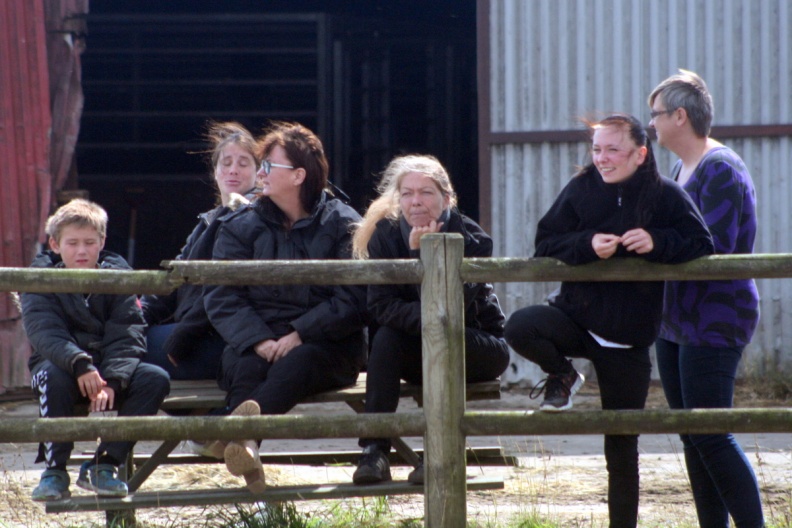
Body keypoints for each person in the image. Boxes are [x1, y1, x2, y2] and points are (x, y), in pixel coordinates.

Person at [503, 114, 714, 528]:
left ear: (640, 153)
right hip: (576, 319)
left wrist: (657, 242)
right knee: (520, 326)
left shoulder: (666, 194)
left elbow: (701, 243)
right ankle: (563, 375)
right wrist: (585, 244)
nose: (602, 158)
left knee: (621, 450)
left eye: (613, 150)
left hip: (628, 340)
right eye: (597, 149)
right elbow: (544, 243)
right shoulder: (581, 188)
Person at [203, 122, 367, 493]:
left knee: (299, 361)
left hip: (327, 344)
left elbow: (355, 297)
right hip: (256, 340)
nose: (258, 174)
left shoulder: (344, 223)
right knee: (247, 365)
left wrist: (300, 333)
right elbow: (221, 292)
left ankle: (234, 432)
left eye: (267, 166)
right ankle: (246, 448)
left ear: (298, 175)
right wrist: (259, 339)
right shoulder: (240, 223)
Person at [350, 154, 510, 486]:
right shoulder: (385, 235)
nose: (416, 201)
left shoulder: (473, 239)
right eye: (407, 193)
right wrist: (420, 322)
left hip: (476, 344)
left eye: (426, 192)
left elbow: (449, 311)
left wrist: (419, 255)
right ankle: (374, 452)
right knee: (386, 338)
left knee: (441, 337)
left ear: (447, 199)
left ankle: (437, 453)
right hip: (415, 343)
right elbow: (380, 306)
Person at [649, 70, 764, 528]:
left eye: (656, 114)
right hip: (675, 319)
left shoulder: (720, 168)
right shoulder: (682, 168)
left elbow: (712, 243)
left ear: (680, 116)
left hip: (715, 318)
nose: (651, 123)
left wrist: (653, 242)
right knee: (692, 435)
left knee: (711, 434)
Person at [21, 199, 170, 501]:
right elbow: (46, 332)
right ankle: (54, 471)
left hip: (106, 372)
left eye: (90, 242)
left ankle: (105, 464)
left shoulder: (119, 278)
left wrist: (113, 380)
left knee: (154, 378)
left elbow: (128, 332)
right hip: (62, 367)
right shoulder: (38, 280)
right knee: (51, 377)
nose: (82, 251)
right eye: (72, 243)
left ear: (102, 242)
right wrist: (80, 364)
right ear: (55, 244)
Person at [141, 121, 260, 380]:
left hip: (219, 335)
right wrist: (140, 313)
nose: (233, 170)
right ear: (215, 171)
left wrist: (185, 333)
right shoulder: (208, 220)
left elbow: (224, 292)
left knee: (119, 349)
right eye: (226, 163)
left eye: (243, 163)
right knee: (120, 335)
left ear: (258, 172)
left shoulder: (256, 218)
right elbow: (174, 276)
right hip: (189, 328)